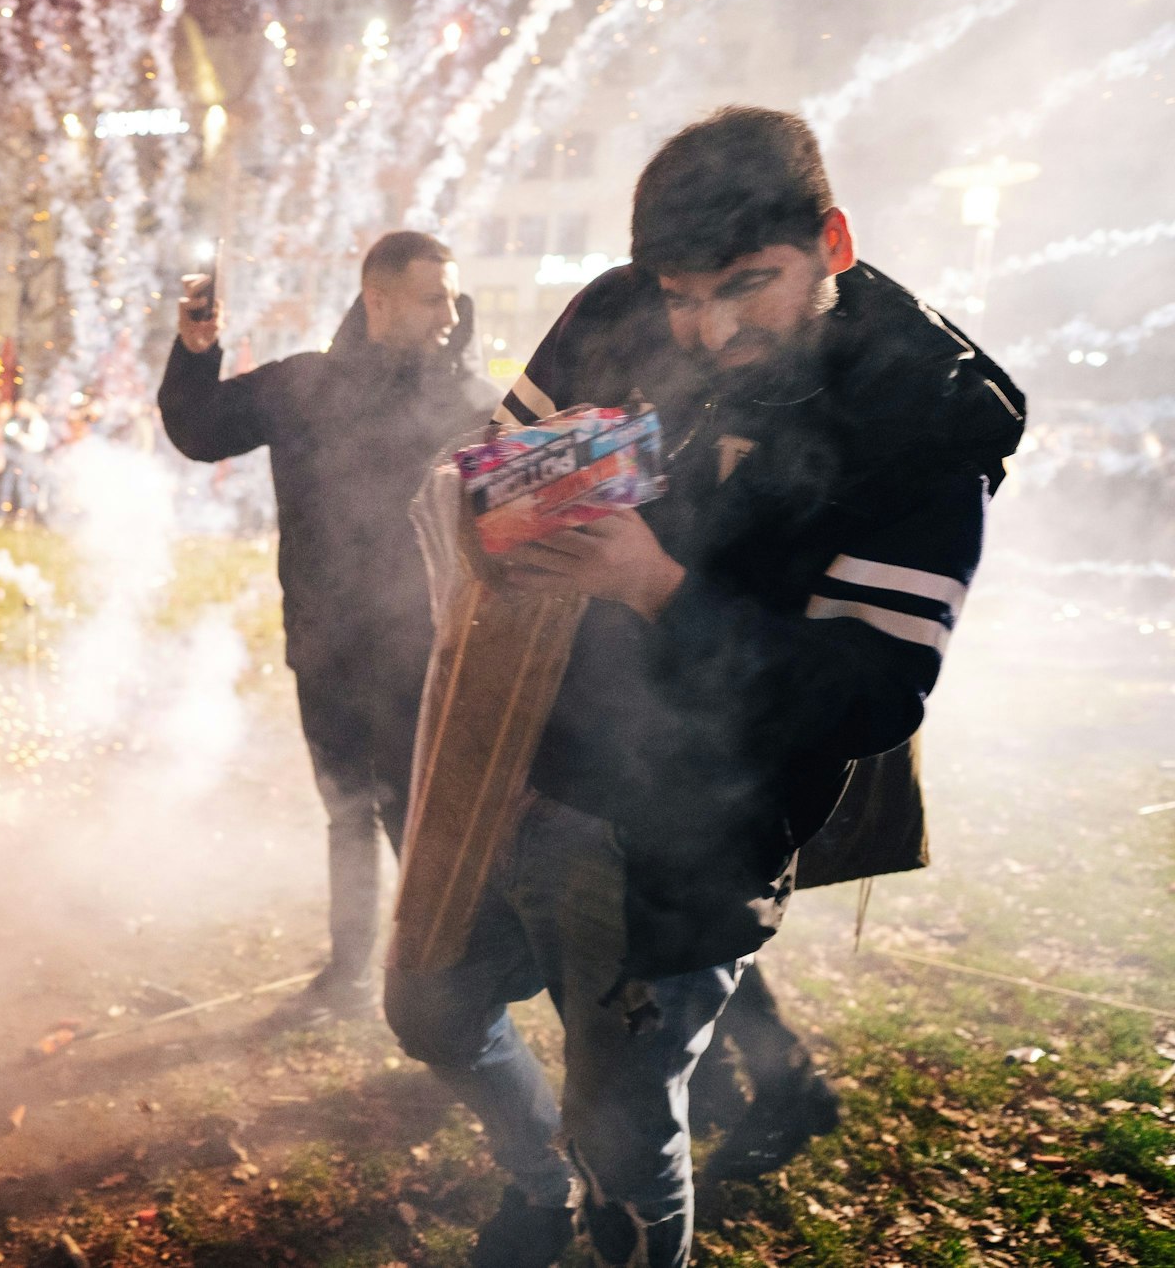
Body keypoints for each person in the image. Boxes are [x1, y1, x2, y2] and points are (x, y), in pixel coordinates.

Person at [381, 107, 1026, 1268]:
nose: (710, 327)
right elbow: (475, 465)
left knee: (622, 1128)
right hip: (518, 754)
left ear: (829, 240)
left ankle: (615, 1224)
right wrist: (494, 489)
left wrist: (659, 587)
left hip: (686, 831)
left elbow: (869, 692)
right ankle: (539, 1189)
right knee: (427, 1006)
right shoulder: (616, 307)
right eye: (683, 294)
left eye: (746, 285)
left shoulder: (921, 410)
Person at [160, 230, 491, 1023]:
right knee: (347, 810)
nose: (452, 311)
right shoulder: (305, 385)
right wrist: (196, 348)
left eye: (452, 294)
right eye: (432, 296)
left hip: (427, 653)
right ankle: (348, 973)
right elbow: (199, 430)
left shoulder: (472, 403)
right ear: (378, 299)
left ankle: (445, 993)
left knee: (417, 821)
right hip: (325, 648)